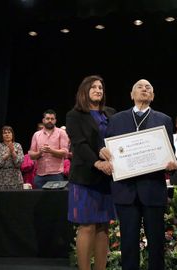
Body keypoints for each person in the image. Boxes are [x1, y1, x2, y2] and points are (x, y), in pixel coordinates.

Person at [101, 79, 177, 270]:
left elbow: (169, 153)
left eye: (149, 87)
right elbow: (108, 149)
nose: (145, 89)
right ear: (131, 94)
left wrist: (171, 164)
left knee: (157, 242)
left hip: (153, 189)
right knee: (128, 243)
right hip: (125, 190)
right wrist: (104, 156)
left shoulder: (164, 120)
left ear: (153, 96)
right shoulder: (117, 119)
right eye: (140, 87)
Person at [65, 75, 116, 270]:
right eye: (93, 87)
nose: (98, 90)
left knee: (104, 226)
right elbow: (79, 144)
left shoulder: (111, 113)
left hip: (107, 178)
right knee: (87, 226)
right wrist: (96, 161)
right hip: (85, 178)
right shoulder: (74, 115)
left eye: (100, 87)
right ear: (84, 91)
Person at [28, 109, 69, 189]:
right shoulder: (36, 135)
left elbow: (65, 153)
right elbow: (31, 155)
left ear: (55, 120)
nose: (50, 121)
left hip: (56, 174)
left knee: (55, 201)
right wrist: (39, 152)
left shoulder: (61, 133)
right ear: (43, 120)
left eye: (52, 119)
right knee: (39, 201)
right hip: (40, 175)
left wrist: (51, 151)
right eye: (47, 118)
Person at [0, 126, 24, 190]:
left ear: (12, 134)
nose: (7, 134)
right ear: (2, 135)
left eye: (9, 132)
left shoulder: (17, 145)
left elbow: (19, 163)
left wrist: (13, 152)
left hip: (15, 179)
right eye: (5, 133)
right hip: (0, 179)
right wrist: (7, 155)